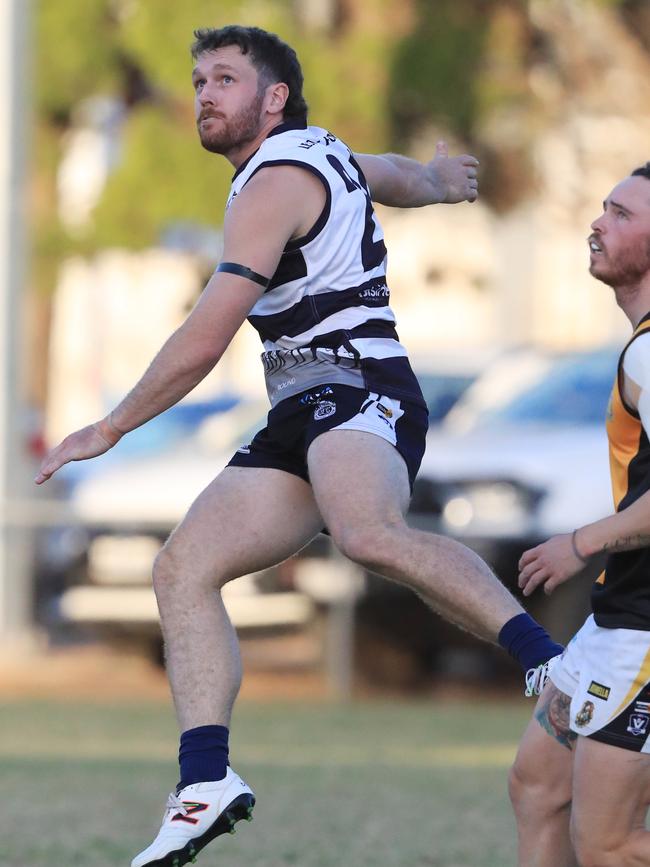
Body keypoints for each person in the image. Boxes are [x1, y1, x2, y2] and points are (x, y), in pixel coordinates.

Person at [36, 25, 561, 867]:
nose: (205, 93)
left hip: (360, 385)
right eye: (199, 78)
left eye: (226, 79)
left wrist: (110, 426)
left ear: (274, 98)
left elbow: (207, 336)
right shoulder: (322, 155)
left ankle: (551, 663)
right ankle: (205, 779)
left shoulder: (273, 182)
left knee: (366, 532)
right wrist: (435, 181)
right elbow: (384, 170)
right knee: (183, 568)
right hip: (303, 403)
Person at [510, 163, 650, 867]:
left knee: (610, 845)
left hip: (645, 632)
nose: (598, 223)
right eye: (603, 208)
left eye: (622, 214)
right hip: (614, 619)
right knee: (538, 787)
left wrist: (580, 541)